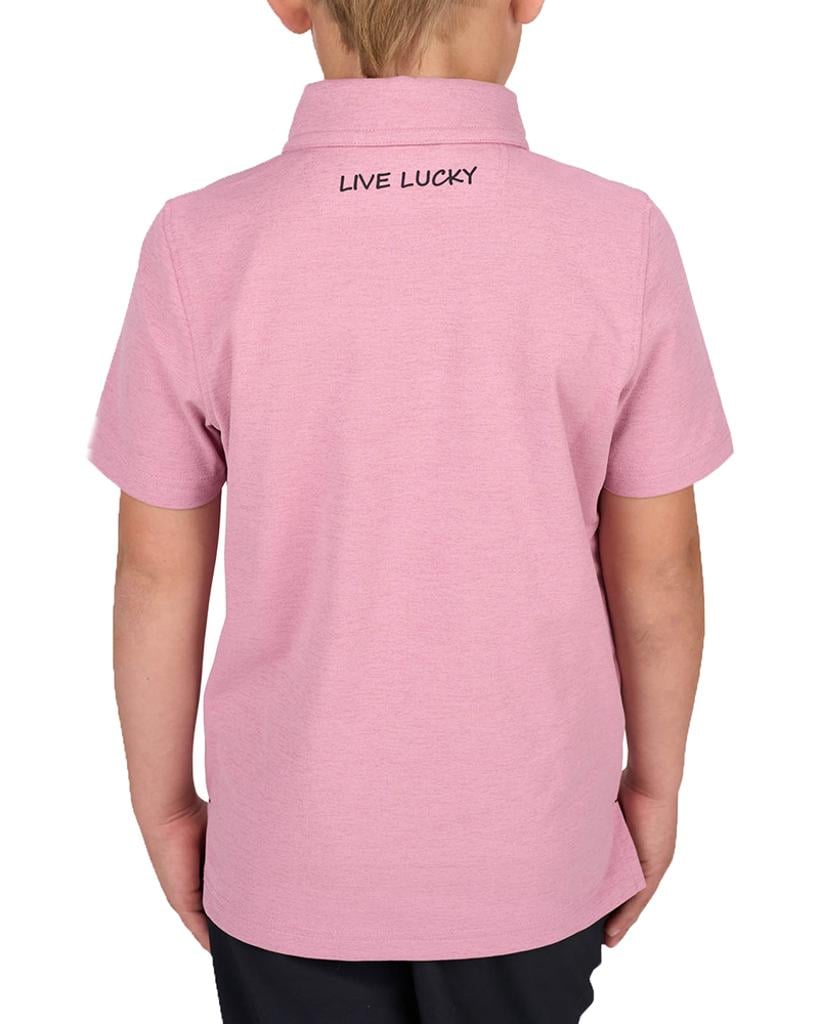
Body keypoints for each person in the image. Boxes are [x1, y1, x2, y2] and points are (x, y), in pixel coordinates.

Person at [87, 1, 733, 1020]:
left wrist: (163, 803)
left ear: (288, 3)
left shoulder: (199, 243)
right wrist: (653, 784)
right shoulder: (620, 237)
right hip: (532, 852)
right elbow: (658, 568)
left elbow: (155, 569)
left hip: (289, 855)